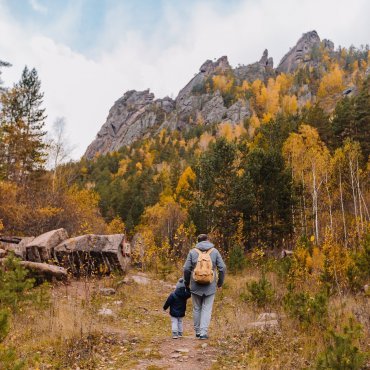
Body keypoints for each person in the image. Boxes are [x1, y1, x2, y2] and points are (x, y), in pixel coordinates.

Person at [183, 234, 226, 340]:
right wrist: (219, 283)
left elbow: (186, 269)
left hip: (195, 285)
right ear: (208, 240)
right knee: (207, 309)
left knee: (196, 308)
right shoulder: (214, 251)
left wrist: (186, 283)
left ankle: (197, 332)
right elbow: (222, 268)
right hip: (210, 286)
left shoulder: (193, 252)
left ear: (198, 242)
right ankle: (203, 333)